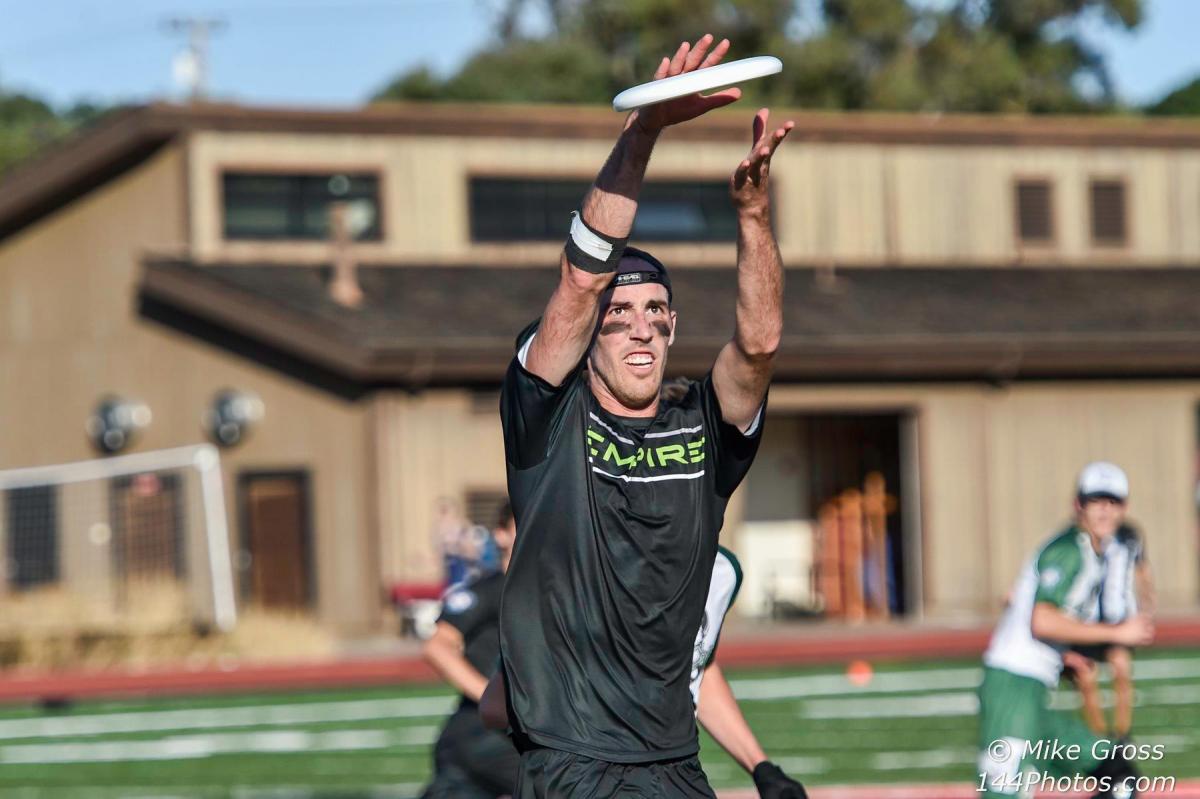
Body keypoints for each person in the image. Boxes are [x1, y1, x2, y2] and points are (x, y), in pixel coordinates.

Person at [497, 31, 793, 797]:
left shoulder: (702, 422)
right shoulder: (548, 419)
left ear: (671, 327)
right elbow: (580, 280)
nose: (640, 327)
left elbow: (759, 344)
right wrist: (644, 132)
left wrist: (753, 214)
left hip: (672, 757)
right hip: (570, 755)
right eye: (621, 313)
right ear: (591, 334)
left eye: (656, 312)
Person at [482, 545, 808, 798]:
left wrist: (760, 766)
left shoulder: (721, 569)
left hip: (674, 767)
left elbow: (695, 673)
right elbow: (497, 703)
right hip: (589, 770)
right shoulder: (578, 558)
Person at [977, 461, 1155, 799]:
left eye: (1112, 501)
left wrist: (1066, 652)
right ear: (1078, 505)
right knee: (1005, 792)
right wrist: (1117, 633)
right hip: (1013, 685)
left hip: (1034, 690)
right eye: (1095, 501)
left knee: (1118, 776)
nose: (1104, 510)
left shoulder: (1091, 552)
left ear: (1125, 508)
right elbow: (1042, 620)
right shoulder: (1070, 550)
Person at [419, 503, 521, 799]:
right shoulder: (488, 590)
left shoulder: (548, 591)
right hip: (482, 735)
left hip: (511, 737)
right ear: (501, 534)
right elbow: (437, 647)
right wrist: (492, 697)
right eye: (522, 524)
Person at [1063, 518, 1155, 739]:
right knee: (1086, 678)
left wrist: (1147, 602)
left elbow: (1142, 568)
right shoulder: (1077, 537)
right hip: (1087, 621)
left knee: (1121, 669)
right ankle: (1099, 736)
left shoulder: (1129, 534)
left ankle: (1123, 735)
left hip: (1119, 618)